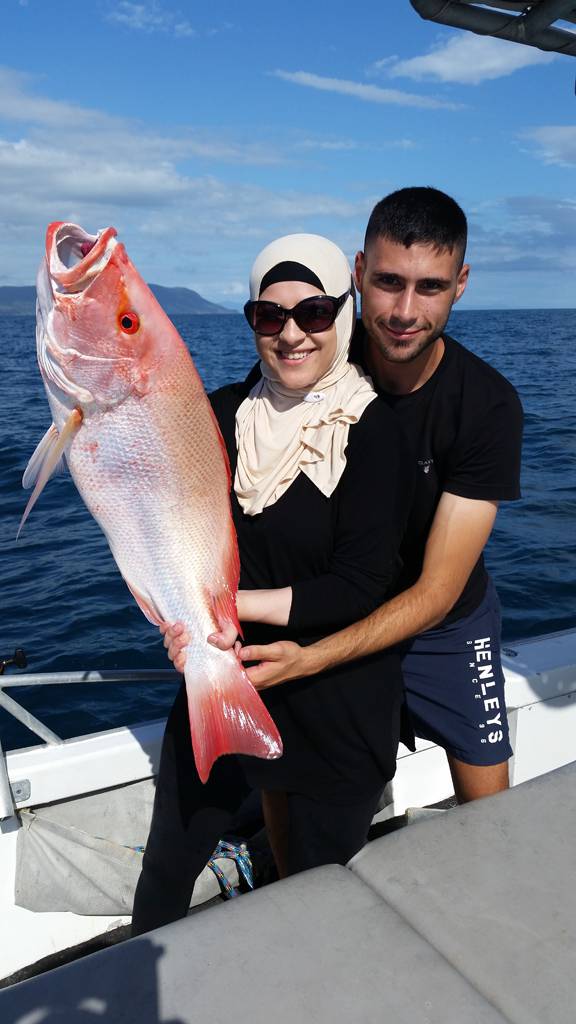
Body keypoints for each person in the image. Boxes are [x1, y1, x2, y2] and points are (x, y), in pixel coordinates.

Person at [170, 187, 523, 806]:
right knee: (292, 781)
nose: (405, 311)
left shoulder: (486, 407)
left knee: (489, 793)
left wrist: (310, 660)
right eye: (388, 282)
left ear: (461, 283)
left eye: (431, 287)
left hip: (443, 622)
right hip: (334, 601)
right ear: (357, 275)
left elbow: (437, 592)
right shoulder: (311, 339)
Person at [132, 233, 414, 935]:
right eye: (269, 315)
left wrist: (222, 610)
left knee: (317, 901)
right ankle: (136, 986)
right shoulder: (218, 414)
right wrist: (178, 619)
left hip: (333, 699)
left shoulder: (376, 432)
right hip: (221, 676)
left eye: (314, 312)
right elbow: (160, 529)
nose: (291, 334)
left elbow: (359, 586)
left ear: (344, 313)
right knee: (166, 868)